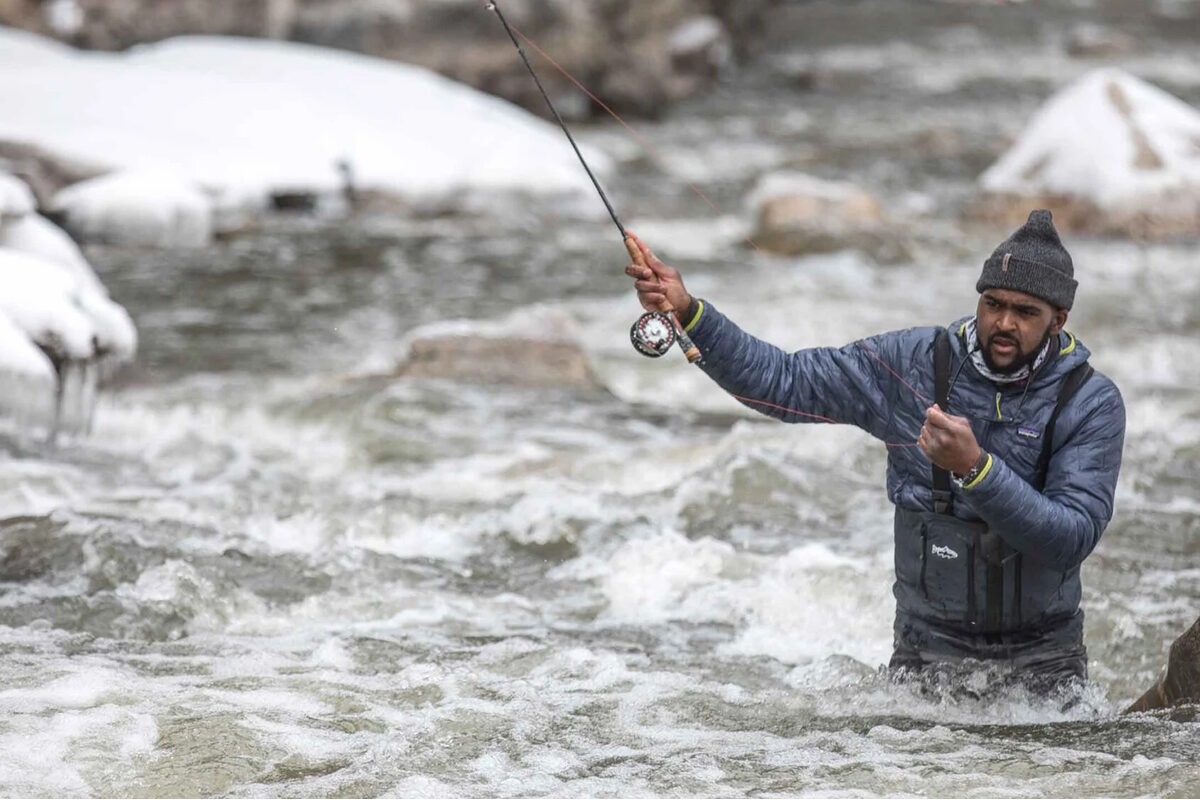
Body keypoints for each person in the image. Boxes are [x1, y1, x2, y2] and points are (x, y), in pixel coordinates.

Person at [624, 209, 1126, 690]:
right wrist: (690, 312)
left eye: (1025, 312)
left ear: (1058, 320)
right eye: (993, 303)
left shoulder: (1090, 402)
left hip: (1045, 661)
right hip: (927, 654)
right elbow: (783, 382)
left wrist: (975, 469)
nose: (1004, 323)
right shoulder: (911, 363)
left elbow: (1072, 538)